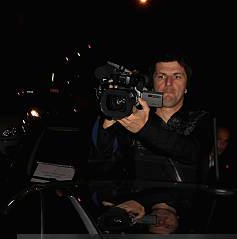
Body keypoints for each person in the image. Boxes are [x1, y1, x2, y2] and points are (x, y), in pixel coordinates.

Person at [91, 52, 213, 183]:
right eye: (161, 76)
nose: (168, 83)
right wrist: (110, 119)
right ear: (152, 83)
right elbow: (103, 166)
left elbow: (193, 153)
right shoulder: (133, 115)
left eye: (177, 76)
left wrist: (144, 128)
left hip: (182, 201)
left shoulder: (200, 118)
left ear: (186, 86)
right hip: (131, 201)